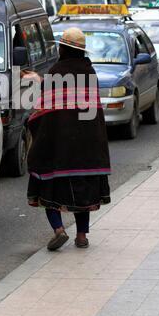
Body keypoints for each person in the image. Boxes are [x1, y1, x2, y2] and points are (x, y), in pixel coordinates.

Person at [27, 27, 111, 251]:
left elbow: (42, 111)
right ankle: (82, 236)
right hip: (87, 148)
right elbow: (93, 112)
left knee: (48, 186)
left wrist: (33, 121)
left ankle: (59, 230)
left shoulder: (55, 73)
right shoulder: (89, 74)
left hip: (57, 147)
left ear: (62, 49)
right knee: (84, 193)